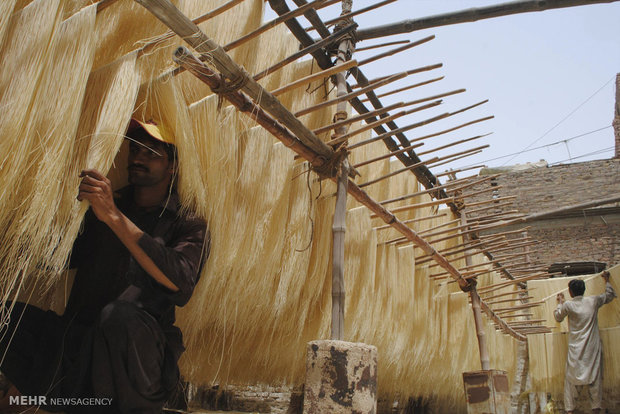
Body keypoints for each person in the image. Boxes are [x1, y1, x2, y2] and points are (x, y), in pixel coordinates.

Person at [0, 119, 209, 413]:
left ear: (172, 166)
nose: (138, 158)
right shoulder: (106, 206)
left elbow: (181, 282)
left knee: (119, 316)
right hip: (78, 348)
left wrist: (112, 216)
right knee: (4, 318)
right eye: (135, 150)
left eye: (151, 153)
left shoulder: (187, 221)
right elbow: (57, 257)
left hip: (137, 366)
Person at [554, 270, 616, 414]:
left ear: (570, 292)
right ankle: (596, 409)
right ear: (584, 290)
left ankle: (569, 411)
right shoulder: (593, 301)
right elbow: (609, 295)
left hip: (575, 349)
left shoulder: (569, 305)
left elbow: (558, 317)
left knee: (570, 382)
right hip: (591, 349)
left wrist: (560, 304)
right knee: (595, 381)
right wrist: (606, 281)